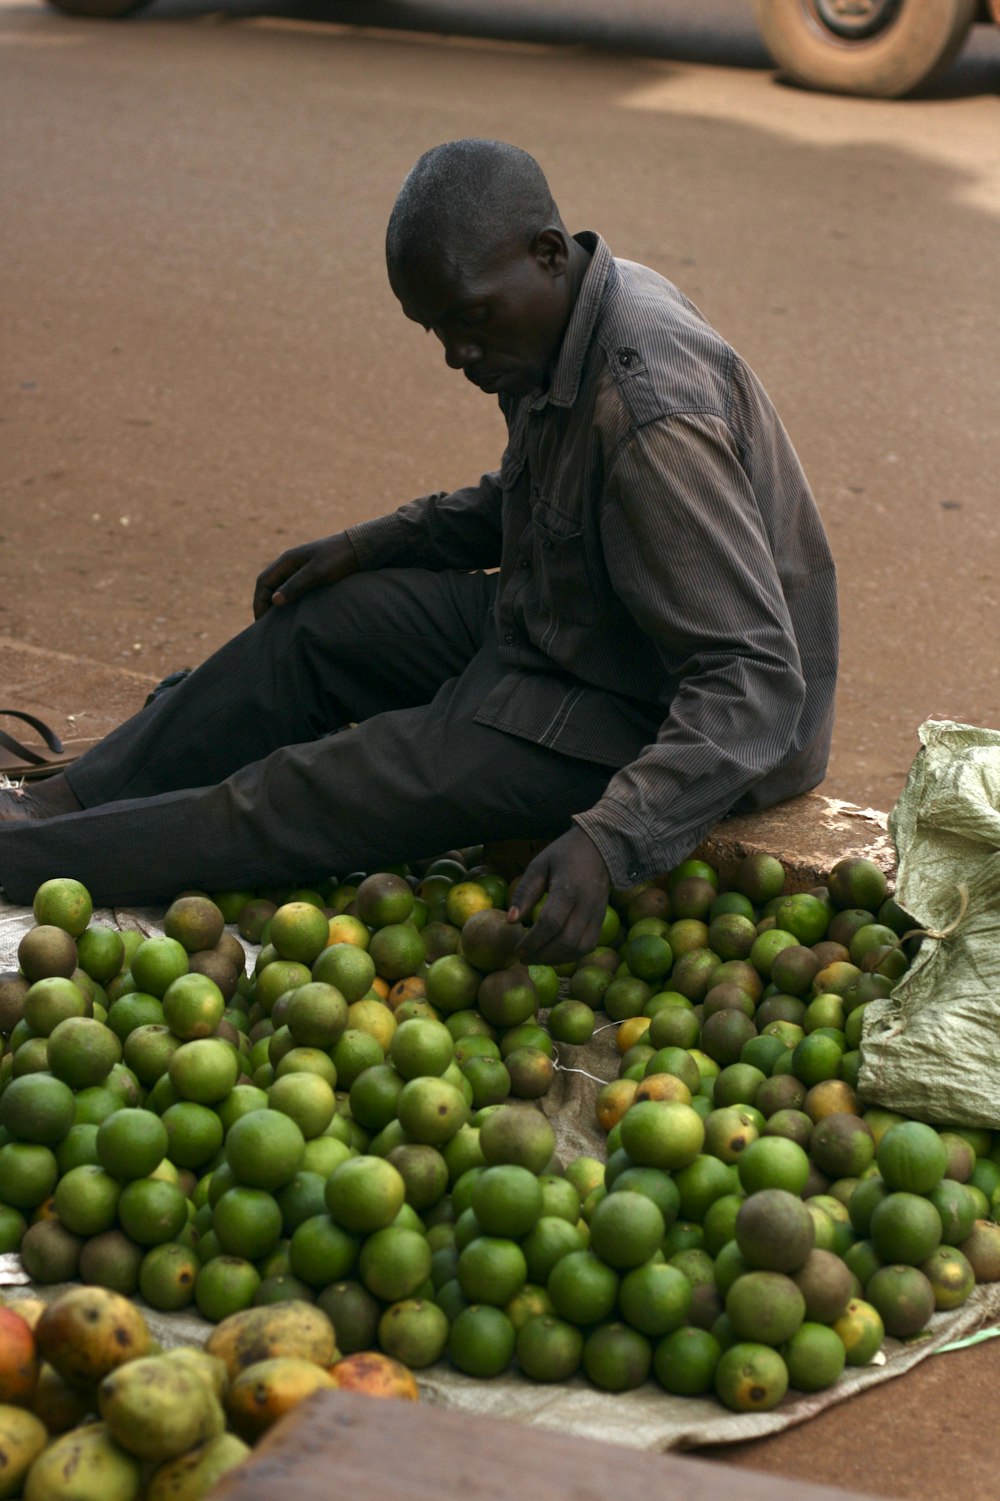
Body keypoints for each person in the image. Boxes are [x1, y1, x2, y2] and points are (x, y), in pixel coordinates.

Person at [0, 139, 838, 965]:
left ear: (546, 253)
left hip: (652, 710)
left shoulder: (651, 413)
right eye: (434, 327)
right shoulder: (570, 310)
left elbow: (752, 681)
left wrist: (609, 838)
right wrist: (372, 545)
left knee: (311, 789)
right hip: (573, 615)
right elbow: (540, 498)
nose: (455, 353)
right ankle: (54, 802)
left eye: (469, 318)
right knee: (319, 627)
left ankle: (19, 862)